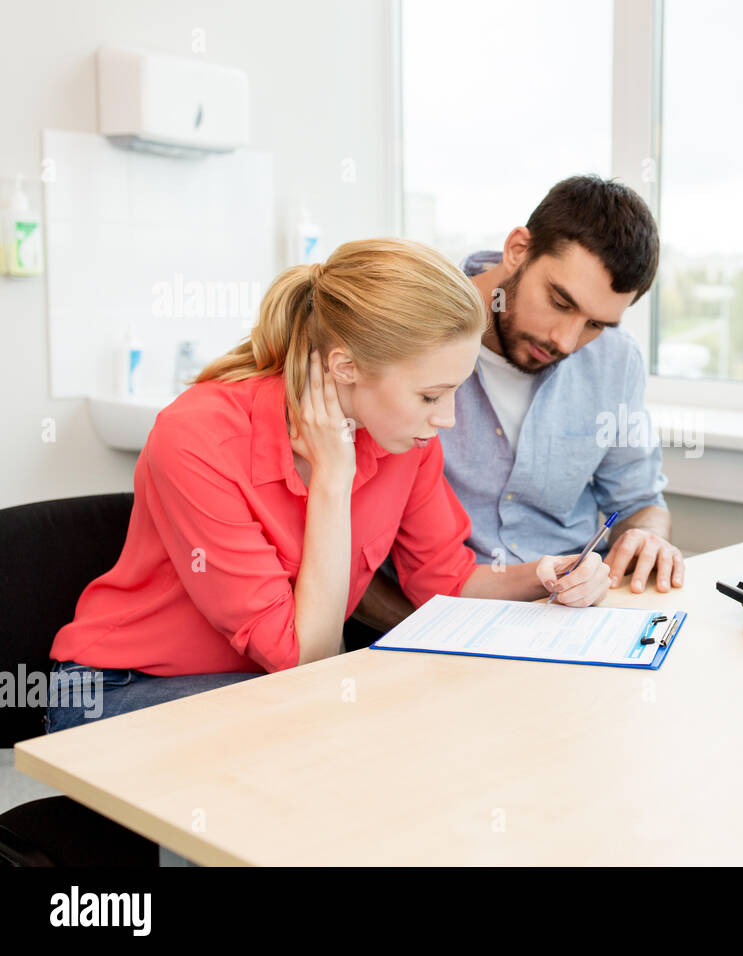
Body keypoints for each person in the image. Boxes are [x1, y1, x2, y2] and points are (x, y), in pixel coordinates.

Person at [46, 239, 610, 732]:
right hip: (117, 691)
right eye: (430, 395)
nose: (448, 419)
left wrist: (542, 575)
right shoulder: (197, 439)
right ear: (344, 367)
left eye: (455, 391)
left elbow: (446, 581)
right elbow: (304, 659)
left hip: (269, 690)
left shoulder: (401, 437)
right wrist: (333, 480)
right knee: (341, 730)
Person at [354, 176, 683, 633]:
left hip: (568, 623)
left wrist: (647, 537)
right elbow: (335, 548)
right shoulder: (410, 325)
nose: (566, 340)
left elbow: (640, 500)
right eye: (559, 301)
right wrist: (433, 634)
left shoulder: (616, 359)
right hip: (422, 623)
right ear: (518, 249)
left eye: (596, 324)